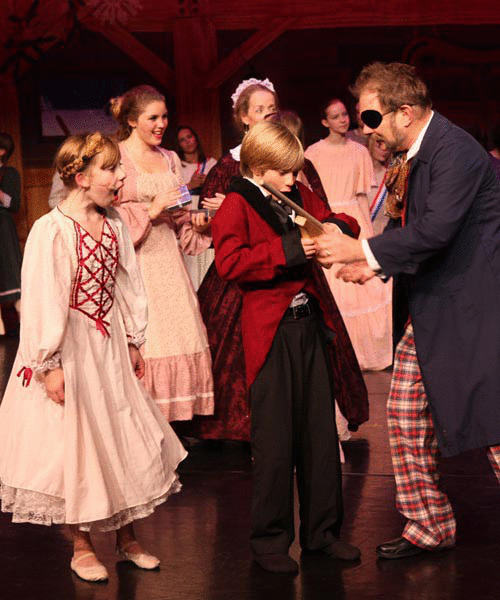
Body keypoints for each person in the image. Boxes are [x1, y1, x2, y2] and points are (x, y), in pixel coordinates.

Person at [315, 61, 500, 560]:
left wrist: (361, 251)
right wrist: (373, 266)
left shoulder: (454, 151)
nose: (366, 129)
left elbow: (436, 231)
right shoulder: (418, 153)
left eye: (372, 118)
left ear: (405, 112)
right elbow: (416, 229)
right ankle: (429, 523)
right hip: (436, 307)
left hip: (474, 309)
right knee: (404, 413)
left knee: (493, 424)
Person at [0, 132, 187, 582]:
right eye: (110, 169)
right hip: (69, 347)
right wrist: (49, 364)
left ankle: (127, 537)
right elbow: (42, 300)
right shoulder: (52, 229)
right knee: (76, 444)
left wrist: (134, 338)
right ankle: (81, 544)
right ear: (81, 177)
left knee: (119, 433)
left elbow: (127, 281)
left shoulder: (115, 222)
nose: (121, 176)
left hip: (108, 345)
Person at [212, 120, 363, 574]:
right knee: (275, 440)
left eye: (294, 170)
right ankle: (270, 542)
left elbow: (337, 218)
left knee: (319, 434)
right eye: (283, 172)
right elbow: (230, 263)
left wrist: (331, 227)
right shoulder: (237, 203)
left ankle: (322, 535)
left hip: (309, 325)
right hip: (270, 331)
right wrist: (290, 249)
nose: (292, 179)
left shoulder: (295, 193)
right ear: (258, 168)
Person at [110, 85, 214, 423]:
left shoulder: (170, 159)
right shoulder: (117, 157)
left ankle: (176, 422)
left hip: (169, 257)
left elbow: (180, 208)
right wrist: (151, 211)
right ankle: (144, 421)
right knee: (149, 338)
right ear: (132, 120)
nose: (161, 124)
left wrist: (196, 222)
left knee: (180, 332)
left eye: (164, 117)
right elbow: (109, 218)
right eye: (152, 118)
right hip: (137, 260)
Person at [192, 78, 278, 442]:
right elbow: (205, 217)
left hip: (278, 262)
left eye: (271, 109)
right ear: (243, 117)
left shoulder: (285, 157)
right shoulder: (229, 164)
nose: (267, 115)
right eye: (259, 110)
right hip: (239, 267)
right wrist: (211, 215)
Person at [305, 98, 392, 371]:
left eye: (344, 114)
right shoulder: (313, 153)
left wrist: (369, 232)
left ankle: (371, 354)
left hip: (355, 218)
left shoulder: (359, 151)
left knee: (368, 287)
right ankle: (343, 358)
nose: (343, 120)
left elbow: (362, 195)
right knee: (337, 288)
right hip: (330, 220)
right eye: (335, 116)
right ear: (324, 122)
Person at [175, 125, 217, 289]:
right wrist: (190, 186)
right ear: (179, 145)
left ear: (196, 138)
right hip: (188, 208)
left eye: (189, 137)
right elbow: (174, 199)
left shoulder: (212, 163)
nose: (187, 142)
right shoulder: (178, 166)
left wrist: (208, 184)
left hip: (207, 207)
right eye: (182, 140)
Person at [0, 132, 22, 336]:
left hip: (3, 230)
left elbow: (13, 204)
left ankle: (24, 327)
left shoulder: (10, 173)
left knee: (11, 279)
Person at [367, 133, 392, 236]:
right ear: (371, 144)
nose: (384, 149)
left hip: (382, 234)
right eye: (379, 144)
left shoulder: (391, 177)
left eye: (387, 145)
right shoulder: (359, 173)